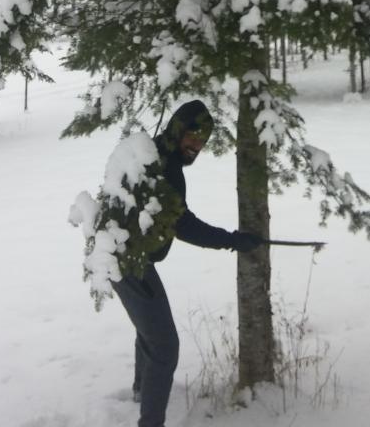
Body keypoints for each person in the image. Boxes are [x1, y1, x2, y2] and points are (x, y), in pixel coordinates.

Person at [111, 99, 262, 427]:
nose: (196, 144)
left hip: (122, 256)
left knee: (150, 330)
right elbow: (184, 225)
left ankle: (142, 389)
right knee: (164, 346)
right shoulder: (164, 167)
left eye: (202, 139)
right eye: (192, 135)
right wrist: (233, 240)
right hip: (130, 264)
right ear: (178, 130)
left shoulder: (156, 153)